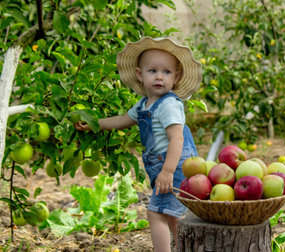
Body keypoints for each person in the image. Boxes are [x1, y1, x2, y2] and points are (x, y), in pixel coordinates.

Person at [74, 36, 202, 251]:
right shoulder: (144, 104)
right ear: (139, 75)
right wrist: (94, 124)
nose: (159, 77)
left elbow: (177, 138)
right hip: (160, 165)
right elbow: (123, 120)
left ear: (176, 76)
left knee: (155, 213)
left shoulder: (169, 104)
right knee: (172, 215)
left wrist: (168, 171)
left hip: (173, 165)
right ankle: (184, 248)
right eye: (153, 71)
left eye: (167, 72)